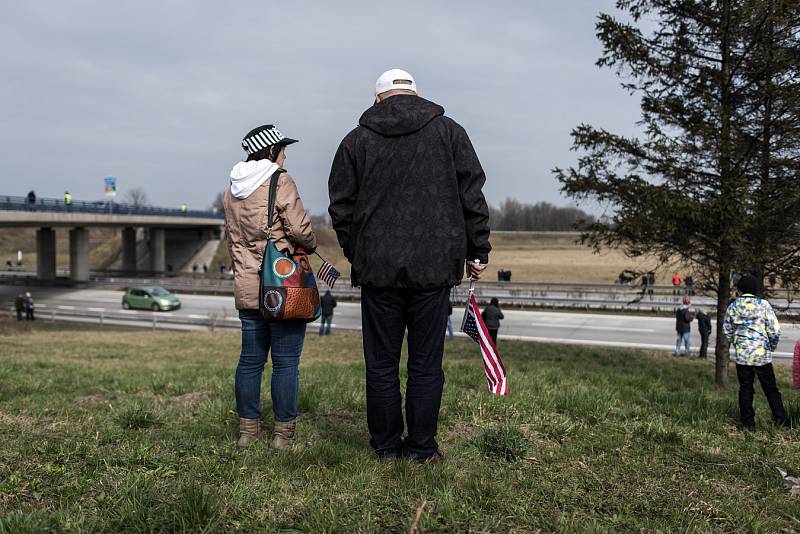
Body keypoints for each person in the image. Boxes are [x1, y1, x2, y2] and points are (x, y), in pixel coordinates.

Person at [328, 68, 491, 463]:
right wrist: (478, 249)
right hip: (434, 269)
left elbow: (340, 207)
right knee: (425, 365)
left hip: (378, 270)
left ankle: (385, 447)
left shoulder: (355, 141)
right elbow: (472, 194)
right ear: (417, 95)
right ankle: (421, 448)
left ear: (377, 98)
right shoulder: (450, 133)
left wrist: (358, 252)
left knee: (381, 365)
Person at [224, 124, 317, 449]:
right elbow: (300, 229)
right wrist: (311, 243)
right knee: (286, 362)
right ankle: (283, 437)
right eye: (282, 148)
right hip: (281, 287)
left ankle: (248, 434)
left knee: (250, 361)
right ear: (270, 151)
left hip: (248, 287)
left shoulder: (232, 189)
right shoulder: (280, 180)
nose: (285, 154)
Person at [723, 274, 787, 430]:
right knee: (771, 389)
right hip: (761, 355)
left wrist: (737, 343)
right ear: (756, 290)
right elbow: (774, 331)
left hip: (743, 356)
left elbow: (727, 330)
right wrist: (770, 347)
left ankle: (747, 424)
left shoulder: (733, 306)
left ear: (739, 290)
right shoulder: (763, 305)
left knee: (745, 389)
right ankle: (781, 421)